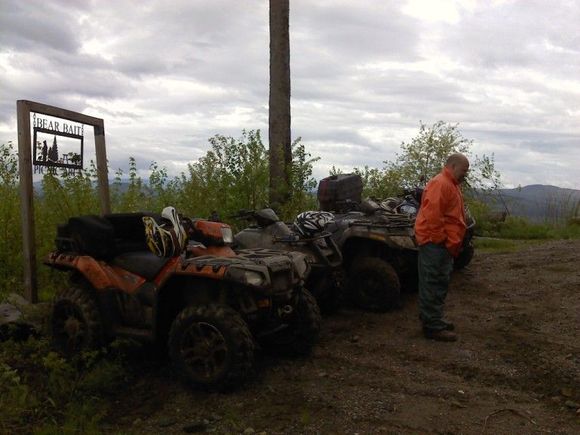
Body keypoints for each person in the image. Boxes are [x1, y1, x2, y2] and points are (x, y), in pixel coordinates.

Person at [414, 153, 470, 342]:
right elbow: (433, 215)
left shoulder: (451, 184)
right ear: (453, 166)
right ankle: (432, 326)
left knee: (439, 281)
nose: (465, 175)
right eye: (464, 171)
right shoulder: (441, 183)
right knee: (434, 282)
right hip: (435, 243)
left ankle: (432, 318)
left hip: (443, 245)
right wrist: (441, 241)